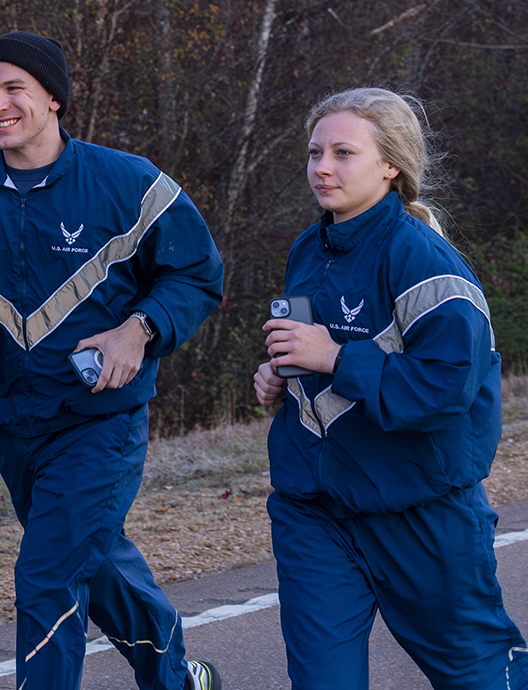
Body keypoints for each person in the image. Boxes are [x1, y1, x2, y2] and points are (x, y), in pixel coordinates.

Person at [0, 31, 225, 690]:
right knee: (92, 565)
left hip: (101, 421)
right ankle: (179, 679)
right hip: (15, 423)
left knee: (47, 574)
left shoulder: (129, 184)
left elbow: (197, 275)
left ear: (54, 98)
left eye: (15, 89)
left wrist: (140, 328)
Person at [254, 87, 528, 690]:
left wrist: (333, 356)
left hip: (420, 513)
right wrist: (280, 373)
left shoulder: (426, 261)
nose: (322, 167)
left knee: (478, 675)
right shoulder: (308, 246)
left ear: (390, 164)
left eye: (343, 152)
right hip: (314, 513)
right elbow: (307, 352)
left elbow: (447, 389)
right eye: (315, 151)